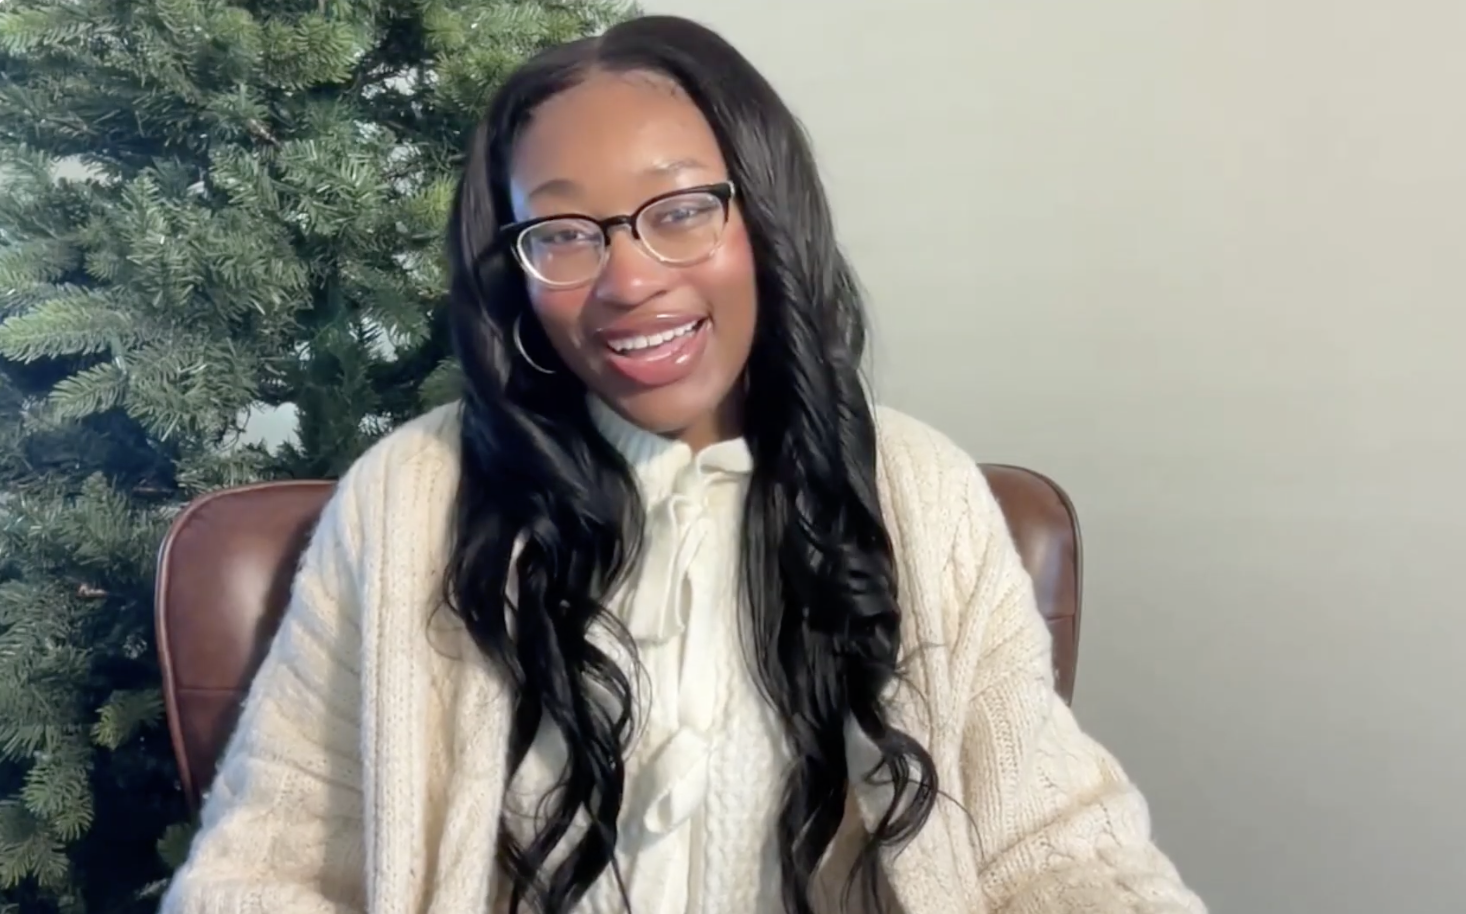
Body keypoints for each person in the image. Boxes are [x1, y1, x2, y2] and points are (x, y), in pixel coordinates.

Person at [161, 13, 1205, 914]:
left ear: (765, 217)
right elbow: (265, 866)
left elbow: (1057, 850)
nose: (626, 279)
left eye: (680, 210)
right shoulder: (413, 497)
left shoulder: (919, 492)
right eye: (563, 233)